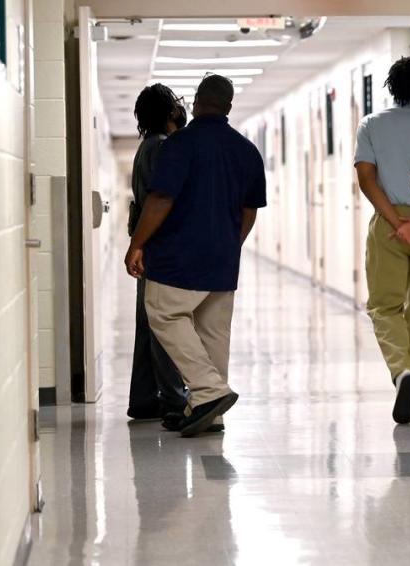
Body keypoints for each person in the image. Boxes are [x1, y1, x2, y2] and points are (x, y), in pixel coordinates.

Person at [124, 74, 267, 437]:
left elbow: (160, 200)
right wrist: (230, 243)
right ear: (229, 107)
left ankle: (208, 391)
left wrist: (136, 243)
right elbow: (250, 210)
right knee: (213, 333)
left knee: (164, 312)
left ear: (198, 102)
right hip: (223, 259)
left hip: (178, 258)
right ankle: (210, 414)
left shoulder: (179, 145)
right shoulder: (247, 151)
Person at [354, 57, 410, 425]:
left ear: (391, 88)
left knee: (384, 306)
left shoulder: (373, 125)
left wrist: (398, 222)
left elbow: (367, 179)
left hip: (390, 225)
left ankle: (402, 370)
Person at [126, 84, 189, 421]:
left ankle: (144, 398)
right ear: (169, 112)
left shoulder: (147, 147)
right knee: (165, 322)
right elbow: (162, 201)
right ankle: (176, 399)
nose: (182, 109)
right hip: (161, 245)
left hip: (149, 243)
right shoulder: (164, 148)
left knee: (149, 321)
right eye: (177, 105)